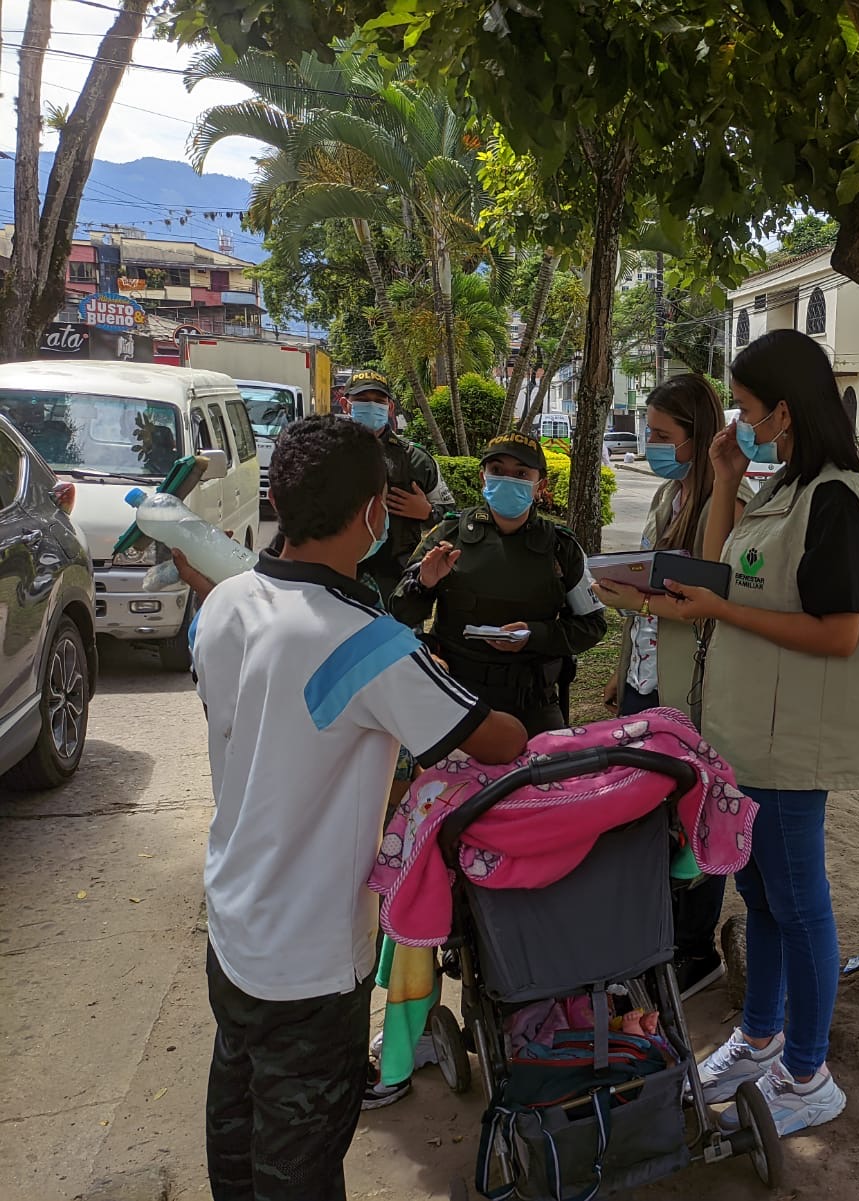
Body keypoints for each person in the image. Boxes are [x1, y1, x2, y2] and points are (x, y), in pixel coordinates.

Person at [187, 415, 528, 1201]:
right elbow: (497, 740)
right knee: (301, 1168)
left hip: (234, 925)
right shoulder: (369, 643)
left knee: (236, 1132)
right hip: (309, 958)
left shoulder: (226, 602)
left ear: (277, 496)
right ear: (376, 511)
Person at [650, 329, 859, 1137]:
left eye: (748, 410)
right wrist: (725, 479)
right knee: (758, 897)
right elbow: (719, 570)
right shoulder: (783, 489)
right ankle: (760, 1038)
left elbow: (838, 632)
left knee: (798, 902)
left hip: (790, 747)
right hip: (743, 738)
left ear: (785, 411)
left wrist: (720, 610)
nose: (739, 422)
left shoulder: (836, 500)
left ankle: (808, 1071)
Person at [593, 374, 752, 999]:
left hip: (691, 688)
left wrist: (638, 600)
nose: (652, 444)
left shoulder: (728, 508)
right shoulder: (667, 497)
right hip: (644, 677)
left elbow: (712, 604)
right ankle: (653, 944)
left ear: (697, 435)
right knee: (648, 819)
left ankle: (693, 951)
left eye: (663, 435)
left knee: (694, 816)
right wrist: (621, 666)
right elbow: (650, 594)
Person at [391, 432, 608, 736]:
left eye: (520, 474)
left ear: (539, 486)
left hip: (532, 700)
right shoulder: (448, 536)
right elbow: (399, 613)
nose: (507, 480)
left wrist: (535, 634)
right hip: (457, 694)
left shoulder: (561, 547)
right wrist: (423, 582)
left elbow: (593, 624)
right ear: (483, 478)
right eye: (497, 471)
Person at [343, 369, 454, 599]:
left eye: (378, 401)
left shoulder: (416, 460)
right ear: (346, 405)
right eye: (362, 401)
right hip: (340, 577)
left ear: (390, 407)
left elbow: (453, 518)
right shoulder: (329, 455)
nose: (371, 406)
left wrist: (427, 512)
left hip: (399, 584)